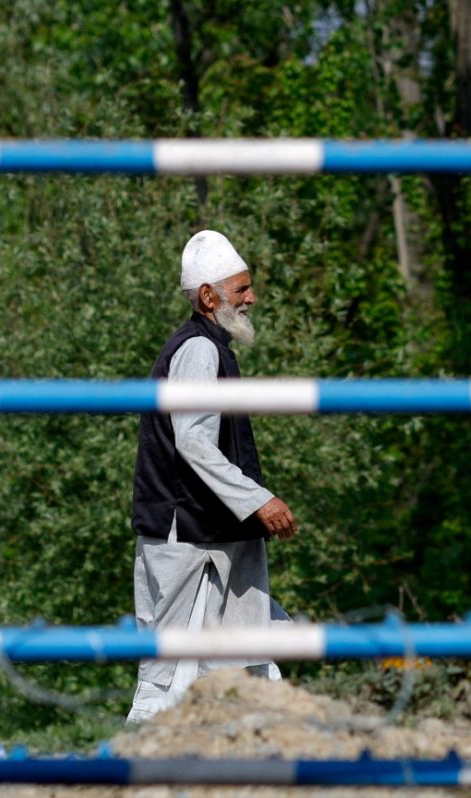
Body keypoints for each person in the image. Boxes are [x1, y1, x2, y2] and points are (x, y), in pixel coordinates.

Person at [127, 230, 297, 724]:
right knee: (169, 668)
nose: (251, 298)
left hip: (217, 534)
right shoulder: (198, 350)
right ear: (208, 296)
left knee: (246, 653)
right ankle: (133, 767)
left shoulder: (211, 349)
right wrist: (259, 500)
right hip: (190, 538)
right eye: (241, 289)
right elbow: (194, 441)